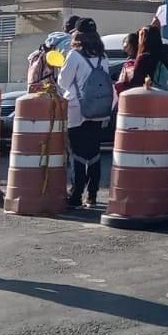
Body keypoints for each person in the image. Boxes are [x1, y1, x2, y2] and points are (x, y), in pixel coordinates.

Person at [58, 20, 112, 210]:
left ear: (77, 36)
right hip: (99, 110)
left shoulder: (74, 56)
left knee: (78, 154)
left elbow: (63, 83)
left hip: (77, 110)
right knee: (94, 153)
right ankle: (93, 195)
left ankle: (76, 195)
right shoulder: (102, 57)